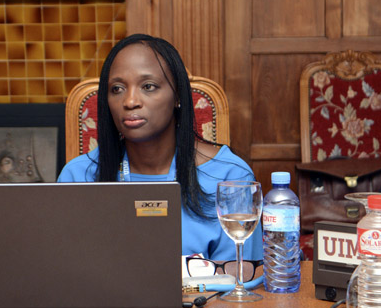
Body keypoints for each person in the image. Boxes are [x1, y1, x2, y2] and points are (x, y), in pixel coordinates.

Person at [58, 34, 264, 262]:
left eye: (148, 86)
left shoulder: (231, 177)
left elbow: (241, 278)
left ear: (177, 95)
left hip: (207, 298)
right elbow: (66, 272)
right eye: (117, 89)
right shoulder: (77, 176)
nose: (130, 101)